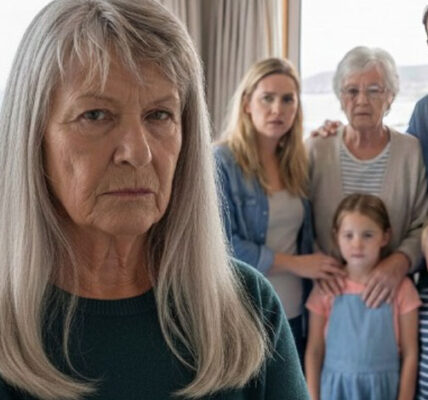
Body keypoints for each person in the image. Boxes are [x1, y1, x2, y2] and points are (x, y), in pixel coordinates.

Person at [0, 1, 309, 399]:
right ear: (33, 137)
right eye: (95, 115)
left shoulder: (248, 306)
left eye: (159, 115)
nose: (138, 152)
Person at [214, 57, 345, 362]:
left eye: (288, 99)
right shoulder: (222, 161)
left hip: (296, 314)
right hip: (247, 313)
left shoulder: (297, 162)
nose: (278, 109)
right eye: (267, 98)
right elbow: (222, 247)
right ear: (247, 103)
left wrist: (332, 135)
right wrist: (298, 264)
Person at [306, 46, 428, 308]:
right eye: (352, 91)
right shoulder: (317, 148)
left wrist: (401, 260)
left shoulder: (410, 151)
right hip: (326, 297)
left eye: (374, 90)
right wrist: (317, 263)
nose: (362, 100)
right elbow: (298, 220)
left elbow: (422, 224)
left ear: (391, 97)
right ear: (340, 98)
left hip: (394, 298)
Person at [305, 193, 421, 400]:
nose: (357, 245)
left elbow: (410, 353)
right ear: (336, 236)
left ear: (385, 237)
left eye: (367, 235)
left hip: (383, 390)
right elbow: (314, 350)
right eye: (348, 235)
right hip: (334, 390)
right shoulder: (325, 288)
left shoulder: (402, 288)